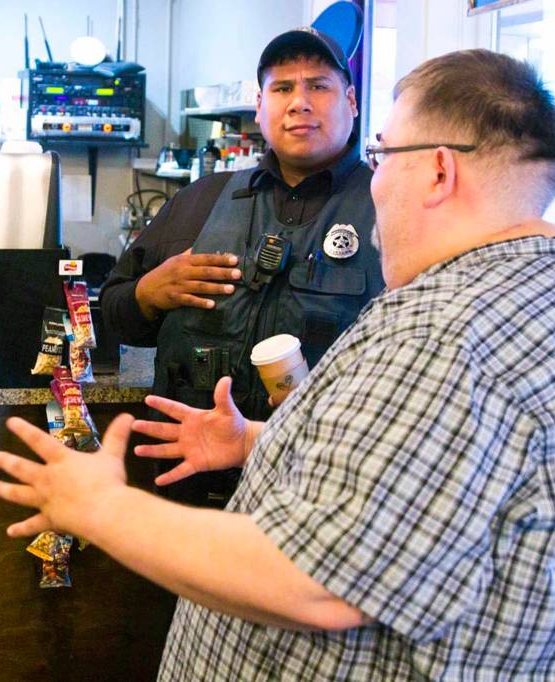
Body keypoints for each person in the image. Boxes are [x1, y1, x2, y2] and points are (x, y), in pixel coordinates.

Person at [0, 49, 555, 680]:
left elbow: (318, 583)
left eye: (385, 154)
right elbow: (443, 476)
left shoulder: (447, 328)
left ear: (440, 172)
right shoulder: (554, 283)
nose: (376, 178)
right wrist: (264, 441)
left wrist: (97, 506)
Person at [100, 27, 384, 507]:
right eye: (282, 88)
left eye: (319, 85)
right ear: (260, 105)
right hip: (188, 490)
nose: (299, 102)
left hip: (324, 494)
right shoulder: (197, 200)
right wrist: (148, 292)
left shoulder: (391, 209)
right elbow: (113, 315)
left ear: (351, 101)